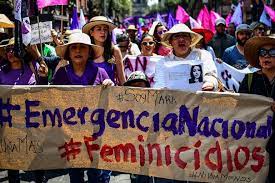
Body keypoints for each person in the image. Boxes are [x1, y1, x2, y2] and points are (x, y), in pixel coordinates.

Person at [42, 32, 113, 183]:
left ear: (90, 52)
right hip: (70, 135)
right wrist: (42, 78)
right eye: (74, 48)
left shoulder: (100, 73)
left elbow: (112, 100)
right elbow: (51, 98)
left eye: (83, 48)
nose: (78, 51)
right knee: (75, 174)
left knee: (96, 174)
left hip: (95, 134)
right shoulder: (61, 74)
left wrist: (110, 86)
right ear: (68, 53)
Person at [0, 38, 48, 183]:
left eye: (14, 48)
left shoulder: (34, 67)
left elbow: (44, 90)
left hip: (33, 125)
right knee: (13, 166)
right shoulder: (1, 72)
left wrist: (43, 72)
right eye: (7, 49)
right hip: (10, 126)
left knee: (37, 163)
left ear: (23, 51)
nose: (10, 52)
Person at [238, 35, 275, 183]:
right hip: (254, 144)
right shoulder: (249, 80)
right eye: (262, 53)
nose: (267, 56)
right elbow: (238, 108)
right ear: (258, 58)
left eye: (272, 52)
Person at [155, 23, 218, 91]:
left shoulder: (203, 55)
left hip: (199, 100)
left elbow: (210, 74)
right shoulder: (162, 63)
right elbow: (159, 84)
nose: (181, 39)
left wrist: (210, 83)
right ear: (171, 42)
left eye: (185, 36)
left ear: (191, 40)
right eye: (177, 36)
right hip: (173, 100)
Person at [82, 16, 126, 85]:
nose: (103, 32)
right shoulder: (85, 51)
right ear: (91, 33)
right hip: (89, 93)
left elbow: (122, 79)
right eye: (99, 29)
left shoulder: (115, 51)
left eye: (105, 29)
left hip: (110, 93)